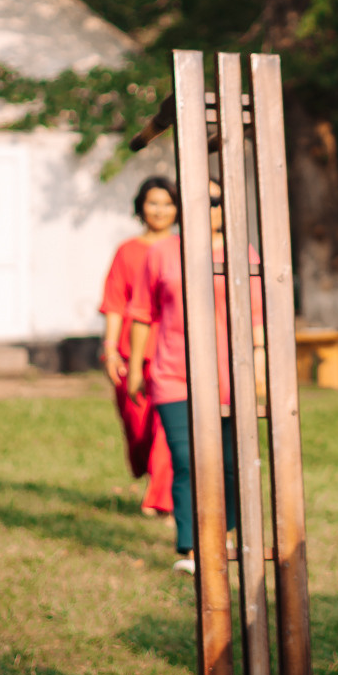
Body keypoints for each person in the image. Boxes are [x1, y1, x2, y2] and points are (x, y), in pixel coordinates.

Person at [126, 176, 263, 575]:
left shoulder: (243, 253)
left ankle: (226, 535)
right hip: (173, 373)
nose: (210, 208)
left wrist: (258, 372)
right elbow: (141, 314)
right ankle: (189, 548)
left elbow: (256, 318)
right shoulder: (163, 253)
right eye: (201, 200)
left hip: (229, 375)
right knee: (187, 460)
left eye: (217, 200)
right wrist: (136, 367)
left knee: (230, 462)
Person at [100, 177, 179, 516]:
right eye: (153, 202)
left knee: (168, 425)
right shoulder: (128, 251)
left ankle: (160, 499)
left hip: (173, 349)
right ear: (141, 207)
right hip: (132, 349)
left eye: (167, 203)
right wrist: (111, 349)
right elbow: (115, 302)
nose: (160, 210)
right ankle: (149, 475)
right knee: (138, 427)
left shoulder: (184, 249)